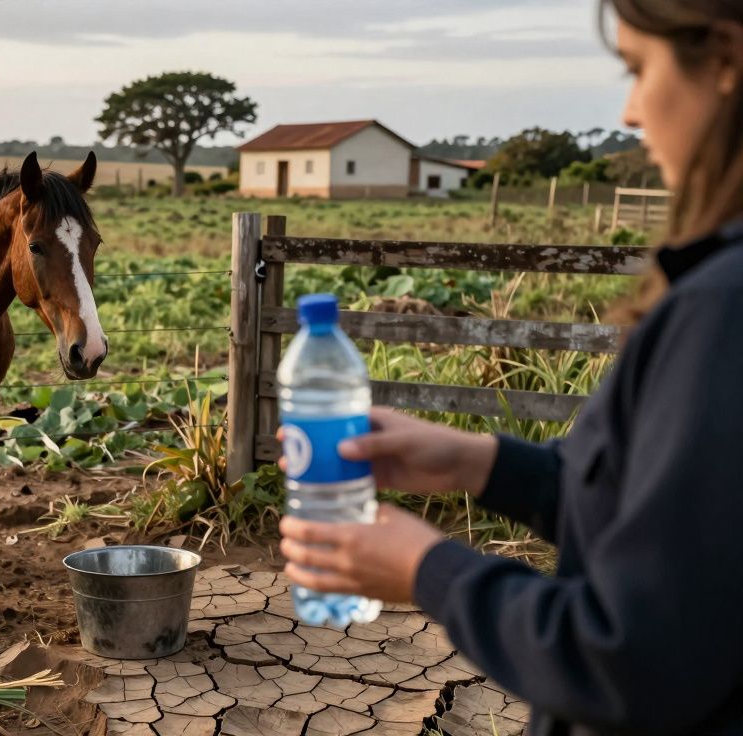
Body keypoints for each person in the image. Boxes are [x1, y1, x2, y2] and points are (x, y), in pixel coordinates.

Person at [279, 1, 743, 733]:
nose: (627, 113)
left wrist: (428, 571)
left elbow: (630, 659)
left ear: (723, 60)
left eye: (638, 70)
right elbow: (667, 526)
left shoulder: (723, 308)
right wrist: (478, 461)